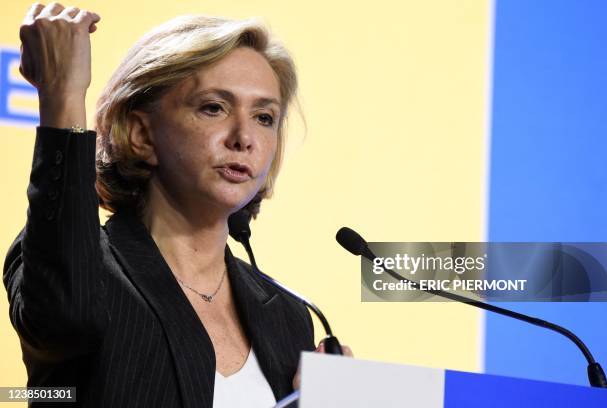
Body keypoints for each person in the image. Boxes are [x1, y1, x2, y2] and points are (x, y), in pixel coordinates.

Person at [4, 3, 350, 407]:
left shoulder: (288, 318)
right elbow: (68, 315)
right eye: (214, 107)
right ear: (140, 134)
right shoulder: (84, 269)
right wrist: (62, 94)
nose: (244, 137)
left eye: (264, 117)